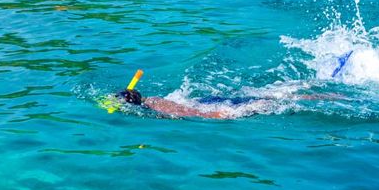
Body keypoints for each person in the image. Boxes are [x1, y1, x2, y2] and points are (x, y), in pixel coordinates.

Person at [113, 88, 330, 120]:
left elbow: (186, 111)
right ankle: (324, 93)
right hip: (207, 103)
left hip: (210, 108)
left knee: (272, 100)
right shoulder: (154, 102)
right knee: (273, 96)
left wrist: (214, 116)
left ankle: (326, 95)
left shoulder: (156, 105)